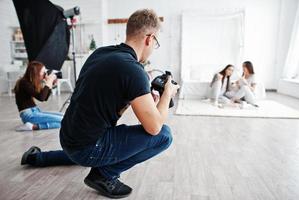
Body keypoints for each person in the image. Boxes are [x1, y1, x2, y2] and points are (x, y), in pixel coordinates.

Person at [21, 9, 180, 199]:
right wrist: (167, 94)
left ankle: (37, 158)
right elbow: (154, 128)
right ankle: (104, 175)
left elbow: (102, 100)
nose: (154, 46)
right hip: (87, 146)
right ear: (149, 38)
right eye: (156, 42)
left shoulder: (100, 53)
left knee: (83, 148)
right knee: (164, 136)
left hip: (68, 136)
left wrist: (141, 100)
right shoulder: (134, 70)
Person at [14, 61, 63, 131]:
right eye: (43, 72)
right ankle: (34, 127)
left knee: (64, 116)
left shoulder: (31, 82)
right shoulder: (23, 83)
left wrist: (51, 84)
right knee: (63, 120)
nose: (45, 74)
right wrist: (49, 82)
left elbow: (45, 98)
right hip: (29, 115)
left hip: (36, 112)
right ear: (35, 73)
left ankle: (32, 126)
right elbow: (41, 98)